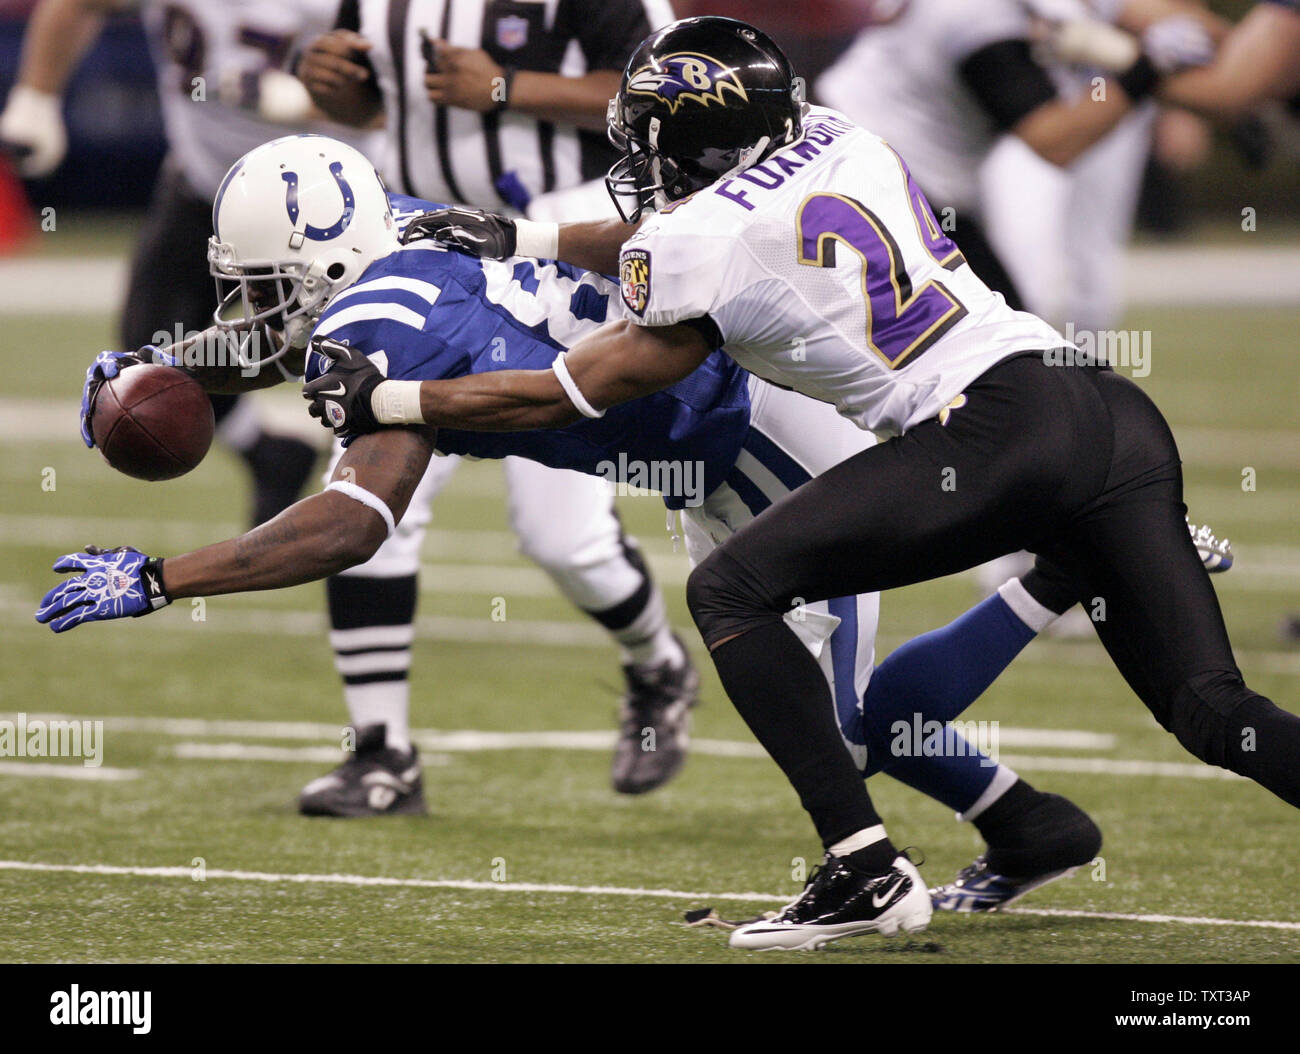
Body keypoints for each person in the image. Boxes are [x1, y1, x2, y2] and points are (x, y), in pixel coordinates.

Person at [306, 17, 1300, 950]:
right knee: (1213, 711)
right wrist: (523, 237)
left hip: (983, 433)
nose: (638, 165)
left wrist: (395, 402)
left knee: (729, 588)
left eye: (651, 144)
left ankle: (862, 867)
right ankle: (1030, 693)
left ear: (695, 147)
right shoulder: (830, 127)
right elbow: (710, 232)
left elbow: (576, 388)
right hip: (1098, 407)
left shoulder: (694, 239)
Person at [39, 133, 1118, 921]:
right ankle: (1027, 824)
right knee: (808, 694)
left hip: (762, 440)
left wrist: (163, 577)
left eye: (266, 286)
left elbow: (352, 524)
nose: (255, 309)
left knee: (844, 721)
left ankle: (1055, 577)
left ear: (320, 258)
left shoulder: (382, 316)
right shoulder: (397, 224)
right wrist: (175, 365)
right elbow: (304, 340)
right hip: (715, 447)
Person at [289, 0, 691, 813]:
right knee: (365, 500)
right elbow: (378, 106)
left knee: (564, 540)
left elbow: (669, 99)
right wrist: (332, 85)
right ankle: (381, 753)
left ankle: (658, 666)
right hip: (411, 254)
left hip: (556, 261)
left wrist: (510, 88)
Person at [0, 0, 352, 526]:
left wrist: (303, 98)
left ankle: (369, 495)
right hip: (204, 180)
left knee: (339, 347)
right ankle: (269, 453)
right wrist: (36, 97)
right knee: (152, 350)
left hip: (325, 200)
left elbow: (392, 91)